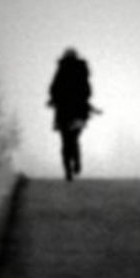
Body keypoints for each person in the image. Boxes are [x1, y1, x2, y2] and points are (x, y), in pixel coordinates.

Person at [48, 48, 97, 181]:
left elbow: (53, 89)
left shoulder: (61, 69)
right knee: (74, 139)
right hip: (78, 112)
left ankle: (68, 170)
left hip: (63, 112)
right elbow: (88, 91)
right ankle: (76, 163)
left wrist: (54, 100)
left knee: (65, 141)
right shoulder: (81, 70)